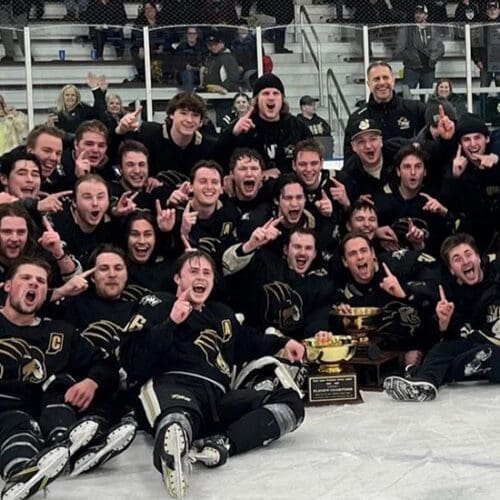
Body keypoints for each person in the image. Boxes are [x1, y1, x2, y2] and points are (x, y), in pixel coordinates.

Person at [119, 249, 305, 498]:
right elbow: (135, 361)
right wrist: (171, 322)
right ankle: (174, 445)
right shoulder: (157, 303)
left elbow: (248, 341)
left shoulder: (222, 314)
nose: (201, 277)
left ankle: (223, 444)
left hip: (217, 399)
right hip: (173, 384)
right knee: (177, 417)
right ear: (177, 278)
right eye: (193, 271)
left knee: (291, 402)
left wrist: (282, 344)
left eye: (207, 272)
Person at [0, 257, 119, 499]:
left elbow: (105, 365)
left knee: (61, 386)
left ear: (46, 293)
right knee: (15, 424)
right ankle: (26, 475)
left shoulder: (61, 331)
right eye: (25, 278)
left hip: (41, 413)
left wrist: (91, 382)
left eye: (41, 281)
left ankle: (68, 446)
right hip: (6, 410)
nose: (33, 284)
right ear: (7, 286)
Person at [384, 233, 500, 401]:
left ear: (478, 258)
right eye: (457, 259)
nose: (465, 261)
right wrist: (444, 323)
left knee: (489, 353)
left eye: (468, 254)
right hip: (478, 350)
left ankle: (419, 373)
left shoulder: (496, 275)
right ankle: (425, 383)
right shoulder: (452, 295)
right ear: (452, 270)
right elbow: (456, 337)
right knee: (443, 349)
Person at [223, 225, 335, 338]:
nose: (302, 252)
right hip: (253, 341)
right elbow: (229, 268)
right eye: (297, 247)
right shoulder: (265, 264)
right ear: (286, 250)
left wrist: (319, 333)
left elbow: (317, 319)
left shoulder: (320, 285)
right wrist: (250, 245)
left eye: (308, 248)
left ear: (315, 253)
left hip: (291, 349)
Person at [215, 73, 312, 175]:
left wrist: (280, 171)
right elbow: (217, 161)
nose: (271, 98)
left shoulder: (296, 127)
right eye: (265, 93)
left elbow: (310, 160)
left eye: (276, 93)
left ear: (282, 99)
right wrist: (232, 134)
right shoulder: (244, 126)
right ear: (256, 99)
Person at [113, 92, 216, 177]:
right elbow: (113, 154)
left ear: (201, 121)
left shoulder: (209, 146)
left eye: (195, 115)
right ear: (171, 114)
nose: (189, 120)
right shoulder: (148, 134)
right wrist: (120, 131)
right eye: (183, 113)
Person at [343, 61, 426, 160]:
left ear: (393, 80)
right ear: (369, 84)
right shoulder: (357, 119)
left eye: (385, 78)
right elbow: (349, 160)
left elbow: (428, 143)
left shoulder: (415, 109)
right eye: (376, 79)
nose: (382, 83)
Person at [394, 5, 445, 90]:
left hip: (428, 69)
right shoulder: (406, 29)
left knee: (426, 97)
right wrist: (411, 59)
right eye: (416, 13)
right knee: (408, 95)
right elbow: (399, 48)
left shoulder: (432, 29)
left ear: (426, 15)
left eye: (421, 13)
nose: (418, 15)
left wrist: (434, 58)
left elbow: (441, 48)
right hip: (411, 68)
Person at [130, 2, 174, 83]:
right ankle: (144, 74)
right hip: (146, 48)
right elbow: (136, 37)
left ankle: (167, 75)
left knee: (171, 51)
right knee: (134, 50)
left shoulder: (162, 21)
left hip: (160, 48)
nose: (149, 10)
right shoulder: (138, 23)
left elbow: (168, 36)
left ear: (155, 10)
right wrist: (140, 47)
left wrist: (162, 45)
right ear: (144, 12)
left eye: (151, 8)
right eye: (147, 9)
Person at [174, 27, 206, 92]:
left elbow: (205, 61)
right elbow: (177, 62)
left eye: (194, 33)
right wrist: (185, 66)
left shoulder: (202, 47)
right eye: (190, 33)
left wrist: (198, 67)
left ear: (197, 35)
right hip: (184, 73)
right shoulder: (181, 47)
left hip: (199, 73)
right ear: (187, 35)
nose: (192, 35)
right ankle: (189, 97)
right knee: (188, 74)